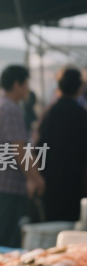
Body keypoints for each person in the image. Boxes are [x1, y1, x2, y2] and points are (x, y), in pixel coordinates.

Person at [0, 65, 45, 248]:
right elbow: (19, 149)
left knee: (2, 234)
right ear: (17, 84)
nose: (27, 88)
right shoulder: (11, 108)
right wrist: (36, 178)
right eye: (26, 83)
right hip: (7, 183)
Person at [35, 68, 87, 222]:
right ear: (79, 88)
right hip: (75, 181)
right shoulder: (82, 115)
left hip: (50, 181)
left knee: (52, 223)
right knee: (72, 224)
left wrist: (36, 177)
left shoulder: (49, 112)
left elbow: (37, 147)